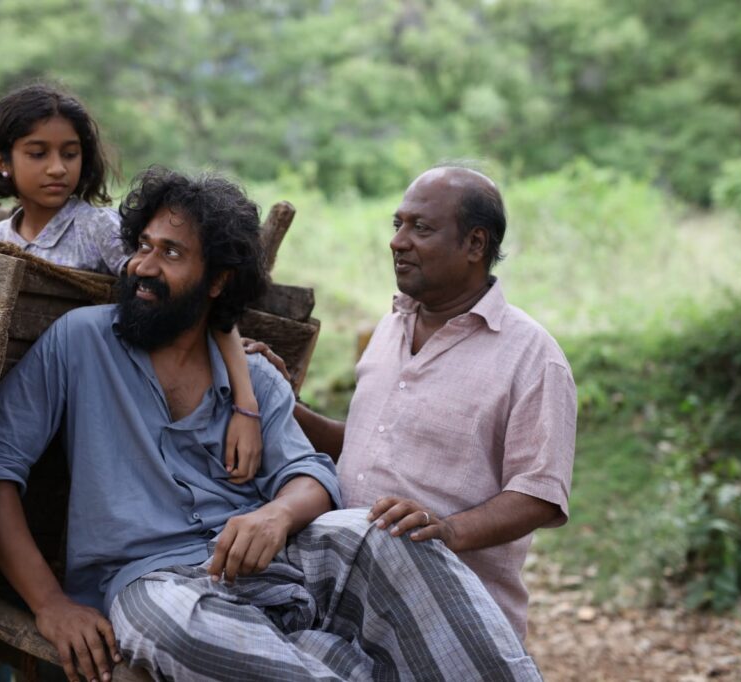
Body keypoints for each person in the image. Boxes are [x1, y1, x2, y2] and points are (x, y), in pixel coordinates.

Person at [0, 167, 543, 682]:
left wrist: (275, 515)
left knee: (382, 533)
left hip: (276, 567)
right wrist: (49, 604)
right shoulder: (80, 341)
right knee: (173, 625)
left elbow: (311, 476)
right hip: (151, 582)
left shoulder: (252, 376)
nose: (145, 267)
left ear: (217, 281)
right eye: (143, 247)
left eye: (171, 253)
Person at [247, 165, 577, 640]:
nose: (397, 241)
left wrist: (449, 530)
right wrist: (280, 401)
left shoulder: (532, 355)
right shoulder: (391, 327)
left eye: (420, 228)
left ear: (475, 244)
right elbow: (364, 443)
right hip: (344, 603)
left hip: (452, 619)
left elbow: (539, 494)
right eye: (397, 224)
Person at [0, 83, 263, 483]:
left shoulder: (96, 227)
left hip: (99, 396)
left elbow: (181, 296)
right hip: (17, 397)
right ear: (2, 161)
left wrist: (246, 402)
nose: (57, 168)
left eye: (70, 154)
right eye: (38, 154)